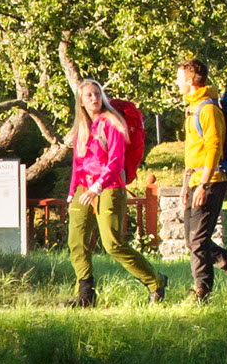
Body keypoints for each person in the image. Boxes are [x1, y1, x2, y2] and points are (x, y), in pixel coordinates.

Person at [59, 62, 164, 307]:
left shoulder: (112, 123)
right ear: (81, 101)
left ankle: (156, 282)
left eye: (97, 94)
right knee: (76, 241)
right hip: (83, 187)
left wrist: (96, 187)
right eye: (88, 95)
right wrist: (72, 193)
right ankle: (85, 296)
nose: (94, 98)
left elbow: (116, 162)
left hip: (109, 186)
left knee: (113, 244)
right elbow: (78, 163)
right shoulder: (82, 127)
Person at [172, 57, 227, 302]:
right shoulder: (194, 106)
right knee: (193, 241)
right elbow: (194, 151)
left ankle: (201, 291)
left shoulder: (208, 109)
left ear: (191, 81)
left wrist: (203, 184)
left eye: (179, 78)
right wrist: (186, 185)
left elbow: (214, 147)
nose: (176, 83)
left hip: (211, 180)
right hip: (196, 179)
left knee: (198, 240)